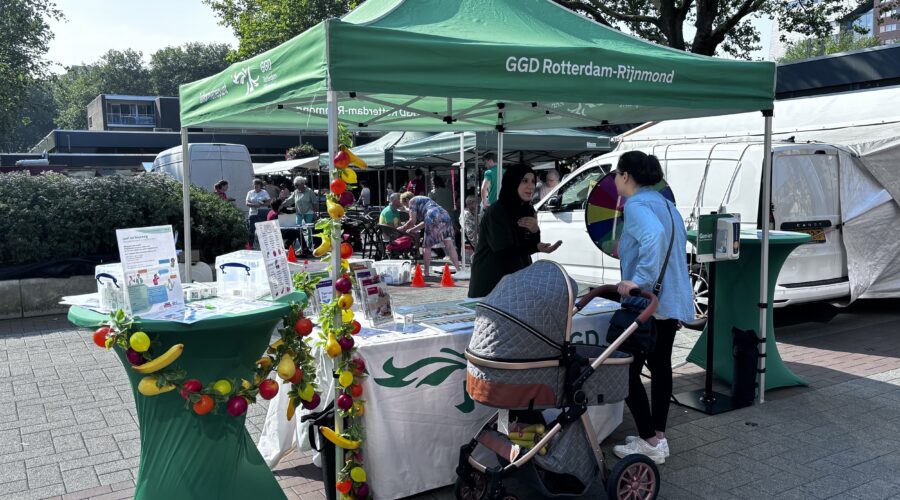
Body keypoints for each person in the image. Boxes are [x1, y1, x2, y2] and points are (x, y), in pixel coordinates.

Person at [609, 151, 693, 465]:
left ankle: (648, 441)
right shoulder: (667, 205)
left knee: (627, 373)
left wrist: (638, 281)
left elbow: (654, 238)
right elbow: (674, 249)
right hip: (669, 301)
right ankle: (658, 437)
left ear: (626, 175)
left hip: (648, 303)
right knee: (660, 368)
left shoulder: (636, 205)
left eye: (617, 174)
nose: (615, 180)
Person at [468, 164, 561, 298]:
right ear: (512, 182)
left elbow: (528, 242)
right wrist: (534, 247)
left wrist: (535, 232)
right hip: (492, 279)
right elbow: (503, 249)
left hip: (518, 277)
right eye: (524, 181)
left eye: (533, 181)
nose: (531, 186)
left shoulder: (528, 210)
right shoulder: (497, 211)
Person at [398, 192, 467, 279]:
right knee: (449, 245)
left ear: (407, 200)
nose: (408, 208)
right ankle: (458, 270)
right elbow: (425, 222)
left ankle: (426, 272)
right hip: (444, 215)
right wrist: (412, 229)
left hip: (432, 216)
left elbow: (412, 220)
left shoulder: (412, 201)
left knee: (427, 246)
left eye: (406, 205)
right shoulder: (424, 199)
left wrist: (403, 228)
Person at [281, 176, 317, 252]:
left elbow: (314, 203)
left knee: (309, 230)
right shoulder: (295, 192)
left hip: (309, 212)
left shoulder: (309, 191)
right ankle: (302, 246)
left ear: (302, 184)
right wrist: (281, 204)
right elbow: (290, 200)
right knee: (297, 230)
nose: (296, 186)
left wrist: (315, 213)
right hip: (299, 213)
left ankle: (310, 246)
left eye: (297, 185)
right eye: (295, 185)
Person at [245, 179, 272, 249]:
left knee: (263, 231)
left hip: (262, 213)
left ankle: (265, 246)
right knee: (251, 230)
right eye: (254, 185)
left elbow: (269, 202)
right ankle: (250, 246)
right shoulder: (250, 192)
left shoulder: (264, 192)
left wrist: (260, 205)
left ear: (260, 185)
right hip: (253, 213)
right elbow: (247, 203)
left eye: (257, 184)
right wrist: (254, 205)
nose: (256, 186)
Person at [460, 194, 480, 260]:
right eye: (476, 203)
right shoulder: (466, 214)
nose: (478, 205)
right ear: (470, 204)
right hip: (472, 242)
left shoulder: (473, 212)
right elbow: (470, 233)